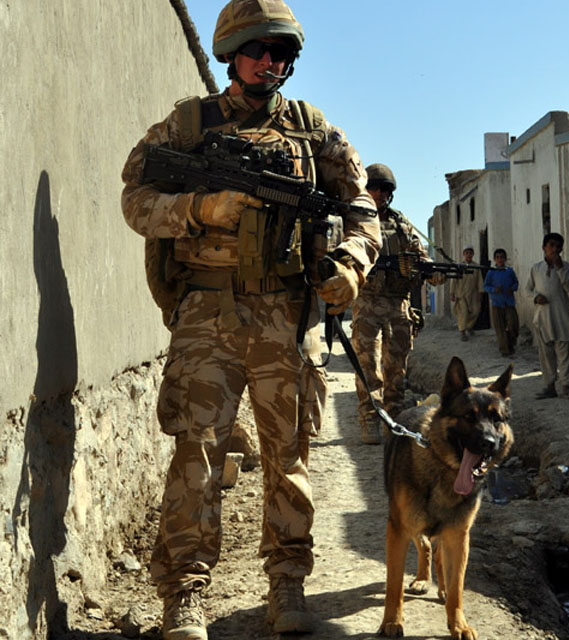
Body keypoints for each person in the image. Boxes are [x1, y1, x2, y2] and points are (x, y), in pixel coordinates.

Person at [119, 1, 380, 637]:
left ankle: (288, 583)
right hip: (206, 311)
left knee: (287, 454)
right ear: (231, 52)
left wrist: (350, 263)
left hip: (286, 313)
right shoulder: (187, 125)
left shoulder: (314, 131)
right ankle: (185, 594)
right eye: (259, 49)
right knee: (197, 453)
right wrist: (204, 208)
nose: (271, 62)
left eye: (283, 53)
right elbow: (136, 199)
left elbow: (362, 207)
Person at [351, 164, 443, 444]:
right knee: (368, 366)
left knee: (397, 368)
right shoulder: (354, 220)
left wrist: (432, 271)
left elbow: (419, 255)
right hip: (367, 303)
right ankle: (370, 419)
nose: (379, 194)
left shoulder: (400, 223)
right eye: (375, 188)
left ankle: (394, 419)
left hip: (398, 304)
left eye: (385, 190)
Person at [526, 233, 569, 399]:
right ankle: (550, 386)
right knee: (546, 355)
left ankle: (566, 386)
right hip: (542, 317)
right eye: (551, 245)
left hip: (561, 316)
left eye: (558, 246)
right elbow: (527, 290)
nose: (554, 249)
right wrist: (536, 298)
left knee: (564, 353)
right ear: (544, 247)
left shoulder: (566, 267)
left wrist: (560, 268)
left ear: (562, 249)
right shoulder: (536, 268)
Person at [483, 248, 519, 356]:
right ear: (494, 259)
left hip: (509, 303)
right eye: (497, 257)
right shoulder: (491, 272)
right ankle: (505, 350)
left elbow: (516, 283)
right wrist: (494, 290)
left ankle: (511, 343)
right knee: (500, 328)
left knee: (513, 325)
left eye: (502, 257)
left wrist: (512, 288)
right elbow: (486, 286)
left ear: (505, 258)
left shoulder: (509, 271)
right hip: (497, 303)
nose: (500, 259)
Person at [450, 245, 483, 341]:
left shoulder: (476, 267)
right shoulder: (459, 266)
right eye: (466, 253)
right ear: (464, 254)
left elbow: (480, 281)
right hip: (461, 295)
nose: (468, 255)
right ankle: (462, 331)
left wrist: (480, 293)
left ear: (473, 254)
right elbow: (454, 281)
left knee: (476, 311)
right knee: (463, 313)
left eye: (470, 253)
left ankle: (469, 326)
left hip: (473, 294)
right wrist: (452, 293)